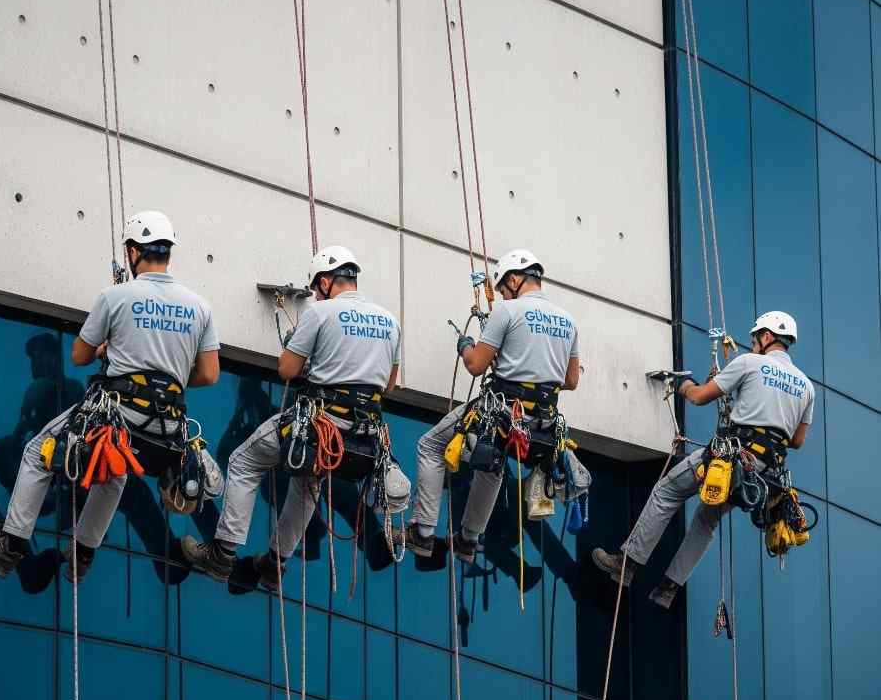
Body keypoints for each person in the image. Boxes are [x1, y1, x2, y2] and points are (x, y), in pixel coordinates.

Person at [0, 211, 222, 580]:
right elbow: (209, 374)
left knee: (37, 453)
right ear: (168, 252)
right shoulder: (200, 307)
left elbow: (79, 356)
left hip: (119, 413)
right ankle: (83, 553)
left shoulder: (116, 296)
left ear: (134, 251)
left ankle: (11, 546)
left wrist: (108, 350)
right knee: (113, 474)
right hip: (167, 426)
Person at [182, 245, 401, 587]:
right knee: (308, 484)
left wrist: (301, 350)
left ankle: (222, 554)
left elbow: (287, 369)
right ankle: (275, 562)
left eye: (317, 287)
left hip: (322, 425)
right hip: (362, 435)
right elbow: (388, 384)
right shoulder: (390, 321)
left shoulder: (319, 314)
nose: (315, 293)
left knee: (244, 459)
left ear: (327, 280)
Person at [592, 310, 814, 609]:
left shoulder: (750, 363)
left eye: (754, 339)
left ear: (766, 336)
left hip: (731, 458)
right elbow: (797, 441)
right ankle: (668, 589)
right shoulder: (806, 387)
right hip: (763, 475)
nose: (752, 344)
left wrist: (682, 384)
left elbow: (698, 397)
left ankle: (626, 564)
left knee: (667, 491)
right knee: (707, 519)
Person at [400, 248, 580, 563]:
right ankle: (468, 541)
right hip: (543, 424)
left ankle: (423, 532)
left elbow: (475, 366)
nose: (503, 296)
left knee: (430, 446)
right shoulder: (568, 321)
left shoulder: (507, 312)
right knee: (491, 466)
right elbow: (572, 380)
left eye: (502, 289)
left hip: (501, 412)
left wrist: (466, 346)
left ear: (514, 279)